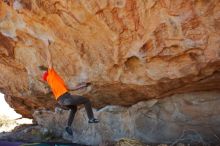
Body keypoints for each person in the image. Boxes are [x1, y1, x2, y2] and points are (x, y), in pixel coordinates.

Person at [39, 41, 99, 136]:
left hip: (62, 101)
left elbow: (70, 88)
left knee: (74, 109)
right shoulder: (51, 75)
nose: (50, 69)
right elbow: (49, 61)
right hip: (66, 98)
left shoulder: (54, 83)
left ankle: (68, 126)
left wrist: (83, 86)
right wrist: (47, 46)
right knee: (86, 101)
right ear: (48, 73)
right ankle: (91, 118)